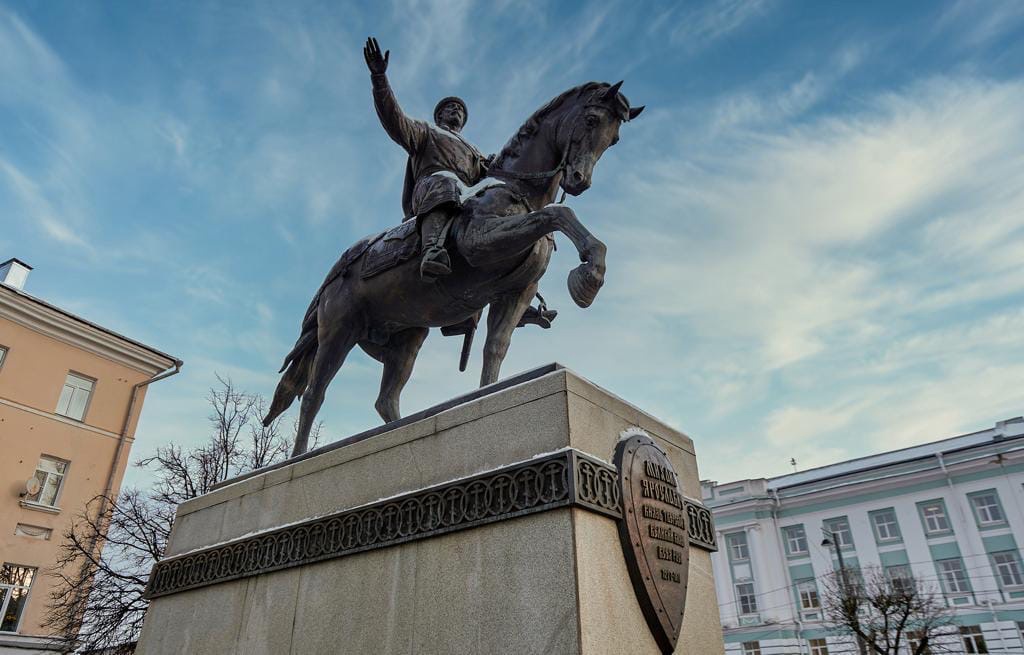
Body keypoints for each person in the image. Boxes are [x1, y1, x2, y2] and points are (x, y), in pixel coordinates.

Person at [363, 37, 556, 330]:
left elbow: (489, 179)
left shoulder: (474, 151)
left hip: (465, 198)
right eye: (451, 108)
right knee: (446, 181)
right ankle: (432, 251)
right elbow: (394, 119)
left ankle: (513, 291)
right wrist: (380, 80)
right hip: (433, 188)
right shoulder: (425, 132)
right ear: (439, 115)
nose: (456, 112)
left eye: (460, 110)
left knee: (500, 216)